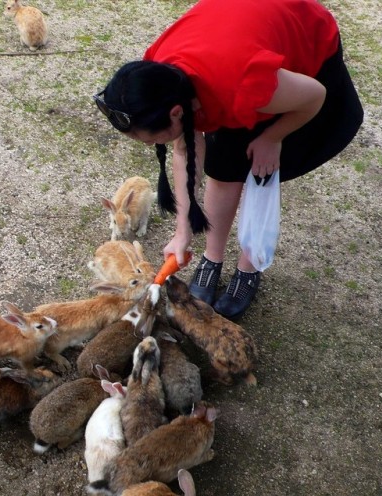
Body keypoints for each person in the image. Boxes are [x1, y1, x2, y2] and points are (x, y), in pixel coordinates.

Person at [93, 0, 363, 320]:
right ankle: (212, 256)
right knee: (223, 168)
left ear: (177, 113)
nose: (152, 145)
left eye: (152, 139)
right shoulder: (157, 76)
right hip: (237, 51)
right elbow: (184, 149)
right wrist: (182, 230)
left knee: (260, 172)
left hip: (299, 61)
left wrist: (272, 137)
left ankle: (249, 268)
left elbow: (313, 96)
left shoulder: (245, 84)